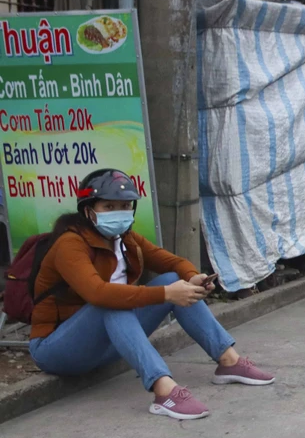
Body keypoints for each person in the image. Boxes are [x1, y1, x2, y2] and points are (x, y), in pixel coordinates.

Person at [28, 169, 274, 420]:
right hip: (55, 350)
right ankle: (163, 390)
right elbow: (98, 294)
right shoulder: (70, 244)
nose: (118, 212)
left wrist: (191, 277)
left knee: (172, 280)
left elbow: (170, 261)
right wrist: (165, 294)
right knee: (112, 302)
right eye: (108, 206)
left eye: (124, 206)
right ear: (88, 210)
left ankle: (228, 361)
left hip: (101, 346)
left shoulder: (124, 238)